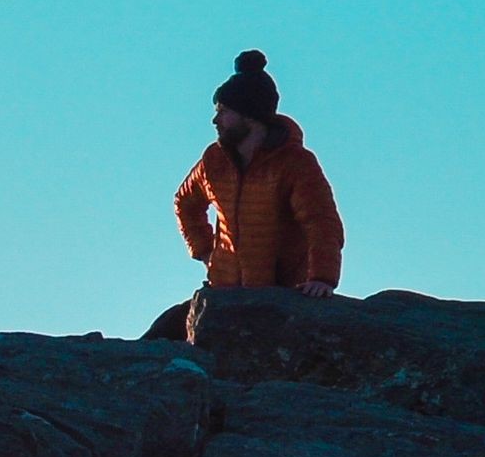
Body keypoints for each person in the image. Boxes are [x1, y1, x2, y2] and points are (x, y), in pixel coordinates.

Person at [144, 50, 344, 340]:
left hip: (280, 297)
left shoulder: (295, 163)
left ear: (249, 116)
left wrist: (322, 279)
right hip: (222, 293)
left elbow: (321, 222)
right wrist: (203, 250)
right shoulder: (214, 161)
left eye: (224, 111)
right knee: (159, 338)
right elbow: (185, 202)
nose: (216, 120)